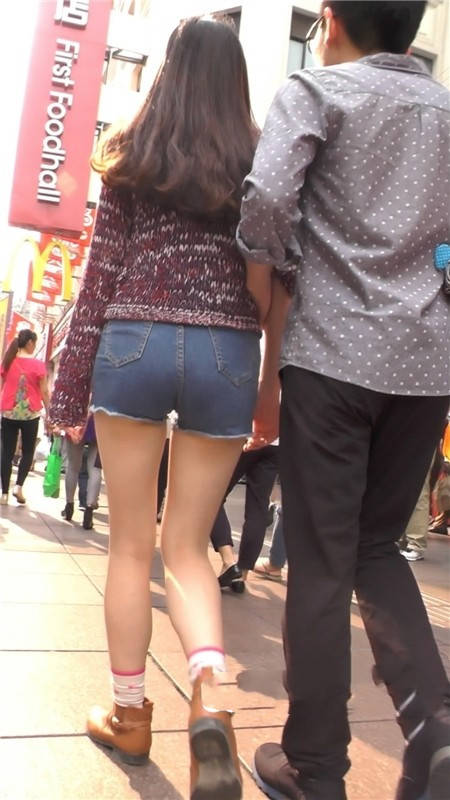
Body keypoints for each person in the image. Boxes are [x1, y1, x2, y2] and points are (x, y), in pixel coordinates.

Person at [48, 15, 277, 799]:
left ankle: (130, 715)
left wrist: (69, 388)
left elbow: (99, 278)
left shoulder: (131, 155)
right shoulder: (257, 161)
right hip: (225, 351)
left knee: (129, 547)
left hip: (133, 342)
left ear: (167, 71)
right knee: (187, 548)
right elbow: (275, 273)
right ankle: (209, 698)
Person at [236, 3, 450, 799]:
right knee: (376, 547)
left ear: (329, 20)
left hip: (331, 353)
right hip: (426, 362)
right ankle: (437, 734)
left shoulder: (317, 92)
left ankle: (316, 766)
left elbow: (265, 200)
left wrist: (284, 265)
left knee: (323, 558)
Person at [210, 440, 278, 592]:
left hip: (244, 438)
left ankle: (229, 562)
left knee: (212, 497)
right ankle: (242, 574)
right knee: (258, 508)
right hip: (275, 443)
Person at [1, 330, 49, 505]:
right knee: (28, 451)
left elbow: (1, 386)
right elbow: (44, 392)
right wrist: (50, 413)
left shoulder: (7, 362)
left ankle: (4, 494)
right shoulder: (38, 365)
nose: (35, 347)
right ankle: (18, 486)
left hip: (8, 412)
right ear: (29, 342)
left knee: (6, 452)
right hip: (30, 414)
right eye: (34, 343)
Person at [61, 415, 102, 529]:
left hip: (75, 420)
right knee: (95, 468)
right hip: (97, 421)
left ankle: (69, 505)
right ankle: (89, 510)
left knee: (72, 467)